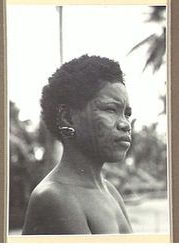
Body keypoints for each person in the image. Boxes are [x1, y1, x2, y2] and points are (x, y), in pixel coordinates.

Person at [22, 55, 133, 234]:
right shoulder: (54, 197)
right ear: (67, 117)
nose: (125, 124)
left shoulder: (111, 192)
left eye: (127, 114)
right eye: (110, 109)